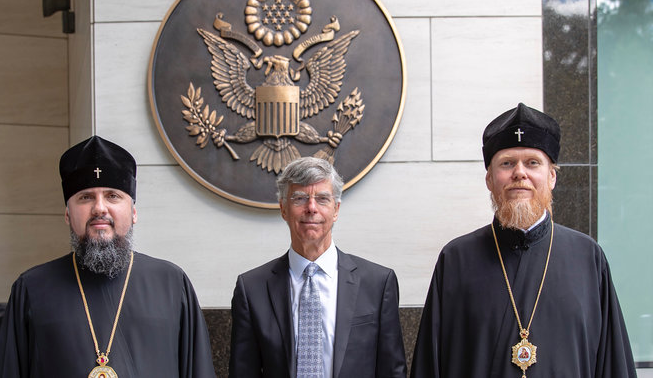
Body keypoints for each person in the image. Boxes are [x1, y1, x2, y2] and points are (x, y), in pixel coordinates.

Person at [409, 103, 637, 377]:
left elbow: (612, 362)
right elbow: (430, 364)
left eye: (532, 163)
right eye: (507, 163)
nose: (520, 173)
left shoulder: (587, 257)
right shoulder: (457, 259)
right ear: (489, 179)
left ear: (551, 177)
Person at [0, 136, 216, 378]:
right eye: (86, 197)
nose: (99, 208)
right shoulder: (32, 289)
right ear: (67, 214)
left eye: (112, 196)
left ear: (134, 212)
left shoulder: (172, 283)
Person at [229, 157, 407, 378]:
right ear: (283, 209)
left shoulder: (378, 284)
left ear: (336, 209)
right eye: (300, 198)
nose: (311, 208)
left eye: (322, 199)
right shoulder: (251, 289)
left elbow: (392, 371)